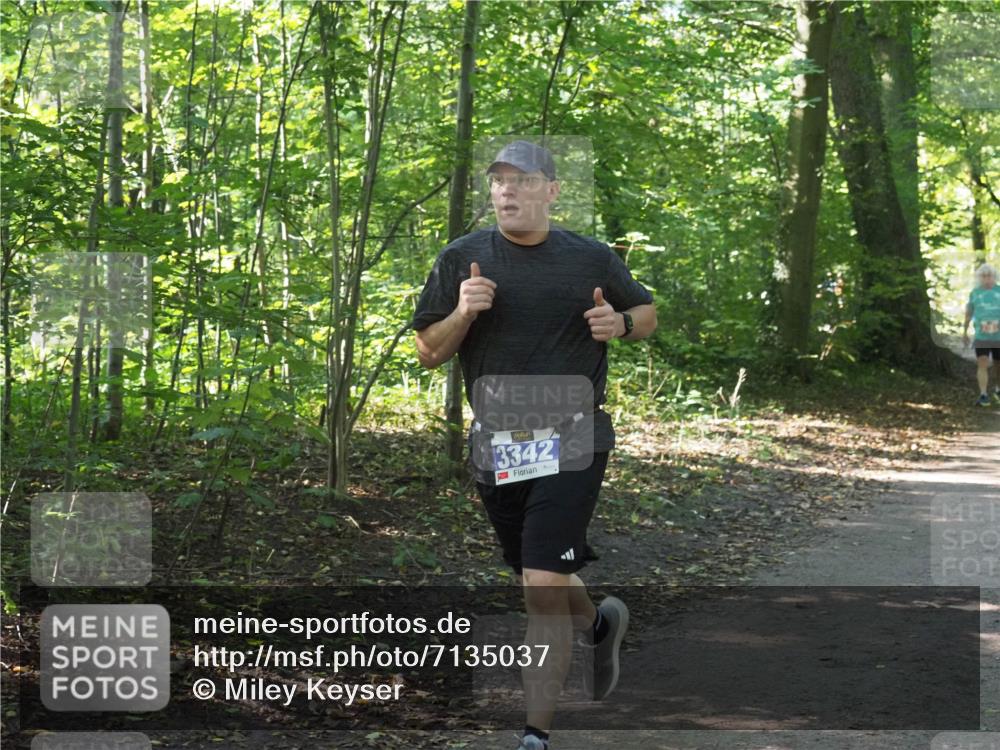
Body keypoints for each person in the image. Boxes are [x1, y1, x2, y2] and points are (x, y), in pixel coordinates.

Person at [411, 140, 657, 750]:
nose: (506, 190)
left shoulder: (590, 258)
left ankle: (533, 737)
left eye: (521, 180)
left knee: (539, 584)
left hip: (576, 434)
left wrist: (621, 324)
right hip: (500, 440)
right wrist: (463, 313)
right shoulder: (461, 258)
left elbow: (645, 312)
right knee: (537, 573)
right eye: (498, 180)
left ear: (551, 190)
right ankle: (599, 624)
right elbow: (428, 351)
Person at [962, 263, 1000, 406]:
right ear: (979, 278)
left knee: (998, 364)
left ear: (994, 277)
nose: (987, 279)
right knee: (982, 362)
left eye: (989, 276)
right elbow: (968, 313)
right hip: (981, 336)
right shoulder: (975, 293)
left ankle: (998, 389)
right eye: (983, 276)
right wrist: (965, 331)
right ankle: (983, 394)